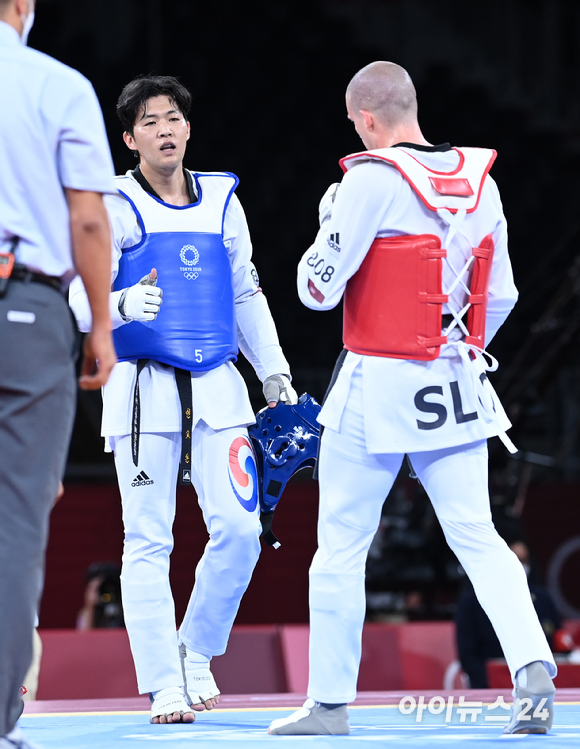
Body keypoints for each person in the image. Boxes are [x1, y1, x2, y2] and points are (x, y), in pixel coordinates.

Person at [268, 61, 557, 736]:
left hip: (378, 381)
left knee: (340, 543)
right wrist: (452, 348)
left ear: (366, 120)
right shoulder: (482, 183)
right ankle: (533, 667)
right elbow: (505, 294)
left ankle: (331, 705)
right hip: (457, 381)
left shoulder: (368, 179)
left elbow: (318, 290)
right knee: (479, 536)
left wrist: (326, 219)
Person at [69, 75, 297, 726]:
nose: (165, 128)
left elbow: (248, 292)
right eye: (151, 121)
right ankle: (164, 684)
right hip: (142, 387)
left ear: (188, 129)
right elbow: (75, 298)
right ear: (130, 137)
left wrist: (274, 371)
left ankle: (196, 648)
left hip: (219, 382)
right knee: (147, 538)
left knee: (243, 530)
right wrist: (116, 304)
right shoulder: (111, 202)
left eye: (174, 117)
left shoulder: (224, 199)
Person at [0, 0, 117, 746]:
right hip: (26, 309)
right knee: (12, 523)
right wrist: (100, 323)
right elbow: (88, 220)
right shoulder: (55, 84)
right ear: (21, 6)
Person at [456, 538, 563, 688]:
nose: (521, 566)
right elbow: (467, 653)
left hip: (534, 682)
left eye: (524, 560)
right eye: (515, 559)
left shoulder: (542, 598)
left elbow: (554, 640)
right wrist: (487, 684)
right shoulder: (472, 601)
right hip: (489, 684)